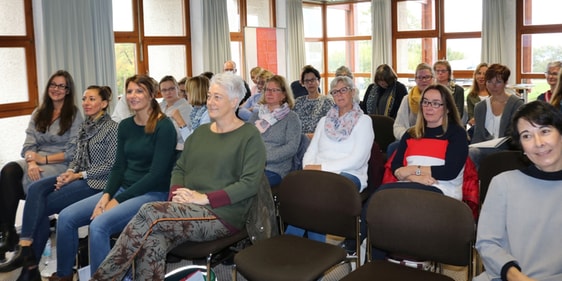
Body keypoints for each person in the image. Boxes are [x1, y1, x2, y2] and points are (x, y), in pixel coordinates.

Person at [90, 72, 266, 281]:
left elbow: (249, 184)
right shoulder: (201, 133)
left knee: (149, 211)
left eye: (217, 97)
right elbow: (179, 169)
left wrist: (205, 198)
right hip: (187, 206)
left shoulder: (249, 136)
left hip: (223, 214)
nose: (210, 102)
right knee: (152, 238)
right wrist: (176, 194)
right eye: (209, 96)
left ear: (235, 101)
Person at [48, 75, 177, 281]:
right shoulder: (125, 126)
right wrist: (106, 195)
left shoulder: (164, 126)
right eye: (130, 91)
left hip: (152, 193)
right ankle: (64, 275)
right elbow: (118, 167)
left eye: (139, 91)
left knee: (99, 225)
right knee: (66, 217)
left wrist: (116, 201)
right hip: (123, 188)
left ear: (152, 95)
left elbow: (156, 175)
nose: (133, 96)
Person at [0, 86, 119, 280]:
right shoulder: (85, 127)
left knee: (38, 208)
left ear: (104, 104)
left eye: (92, 99)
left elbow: (111, 165)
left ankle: (30, 264)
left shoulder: (113, 128)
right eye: (84, 99)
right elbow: (76, 158)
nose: (86, 103)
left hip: (97, 183)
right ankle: (27, 255)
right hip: (77, 176)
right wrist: (70, 171)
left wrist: (80, 175)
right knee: (36, 189)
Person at [0, 70, 83, 262]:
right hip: (34, 160)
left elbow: (73, 152)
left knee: (30, 182)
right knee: (9, 170)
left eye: (61, 86)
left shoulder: (74, 114)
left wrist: (42, 160)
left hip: (60, 163)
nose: (56, 89)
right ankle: (7, 231)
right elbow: (28, 146)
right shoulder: (39, 112)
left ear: (68, 90)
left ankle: (28, 249)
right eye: (53, 85)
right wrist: (31, 162)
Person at [475, 100, 562, 281]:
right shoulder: (504, 184)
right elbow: (488, 243)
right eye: (526, 136)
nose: (538, 143)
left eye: (545, 131)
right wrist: (516, 277)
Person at [285, 75, 374, 242]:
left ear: (353, 92)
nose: (339, 94)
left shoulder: (364, 121)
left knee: (316, 195)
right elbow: (310, 151)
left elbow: (357, 160)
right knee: (301, 192)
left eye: (343, 90)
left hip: (349, 175)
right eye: (335, 91)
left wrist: (321, 169)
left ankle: (294, 241)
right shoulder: (324, 121)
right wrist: (309, 167)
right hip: (318, 174)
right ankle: (307, 247)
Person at [387, 83, 468, 200]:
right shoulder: (411, 133)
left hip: (443, 190)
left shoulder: (457, 134)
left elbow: (449, 172)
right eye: (425, 102)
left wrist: (413, 170)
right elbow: (396, 166)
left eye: (435, 103)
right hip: (410, 185)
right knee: (379, 198)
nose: (429, 107)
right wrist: (414, 178)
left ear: (448, 108)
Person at [248, 75, 301, 186]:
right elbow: (246, 141)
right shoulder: (256, 116)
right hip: (251, 166)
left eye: (274, 90)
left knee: (248, 185)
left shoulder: (291, 118)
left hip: (275, 169)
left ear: (284, 94)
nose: (269, 93)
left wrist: (263, 158)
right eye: (267, 89)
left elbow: (291, 148)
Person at [469, 64, 524, 169]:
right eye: (489, 82)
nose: (493, 86)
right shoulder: (480, 107)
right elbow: (478, 136)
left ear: (505, 83)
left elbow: (516, 136)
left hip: (508, 150)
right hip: (483, 150)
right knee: (470, 153)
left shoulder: (517, 104)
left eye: (498, 82)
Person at [388, 63, 434, 156]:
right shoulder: (407, 99)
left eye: (427, 77)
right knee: (392, 148)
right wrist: (409, 136)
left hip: (434, 139)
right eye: (420, 77)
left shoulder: (440, 98)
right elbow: (398, 126)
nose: (423, 80)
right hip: (412, 139)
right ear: (415, 79)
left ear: (433, 78)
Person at [293, 65, 335, 138]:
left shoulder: (327, 101)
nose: (310, 83)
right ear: (303, 84)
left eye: (313, 80)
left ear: (318, 81)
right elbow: (292, 124)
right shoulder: (298, 102)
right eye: (307, 81)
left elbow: (331, 127)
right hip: (299, 141)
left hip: (320, 140)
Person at [158, 75, 193, 153]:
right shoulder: (160, 106)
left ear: (178, 89)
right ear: (160, 92)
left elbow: (176, 134)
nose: (168, 92)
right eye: (164, 90)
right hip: (160, 146)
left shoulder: (186, 107)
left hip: (178, 150)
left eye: (171, 89)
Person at [172, 75, 211, 141]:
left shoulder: (208, 114)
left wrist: (180, 122)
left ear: (196, 93)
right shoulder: (196, 111)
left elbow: (193, 142)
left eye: (187, 91)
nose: (186, 94)